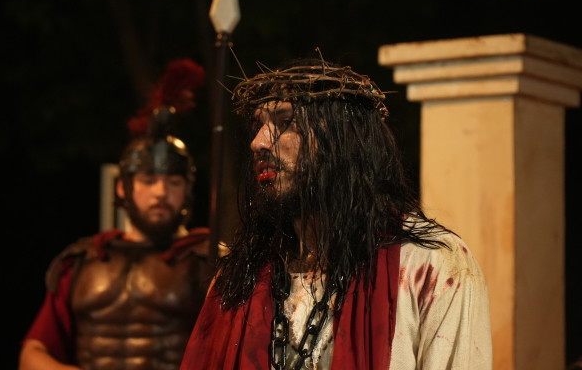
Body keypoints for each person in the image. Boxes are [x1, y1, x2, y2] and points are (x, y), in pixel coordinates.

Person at [179, 56, 492, 370]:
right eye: (258, 125)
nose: (258, 142)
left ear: (343, 142)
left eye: (285, 122)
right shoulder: (239, 277)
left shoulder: (429, 264)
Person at [19, 59, 212, 370]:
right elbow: (32, 355)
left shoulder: (210, 263)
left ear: (187, 189)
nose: (161, 192)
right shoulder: (82, 262)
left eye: (174, 182)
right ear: (123, 188)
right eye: (148, 180)